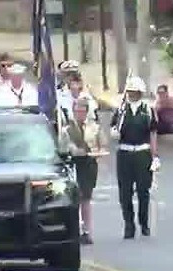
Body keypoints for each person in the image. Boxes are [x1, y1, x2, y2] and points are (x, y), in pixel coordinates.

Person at [110, 75, 159, 239]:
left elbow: (152, 134)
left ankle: (144, 223)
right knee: (125, 192)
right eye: (130, 91)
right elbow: (113, 129)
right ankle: (129, 225)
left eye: (135, 91)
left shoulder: (148, 110)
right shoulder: (121, 110)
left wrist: (155, 156)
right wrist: (114, 132)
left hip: (142, 153)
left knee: (143, 191)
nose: (132, 94)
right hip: (125, 153)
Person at [62, 98, 107, 245]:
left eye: (82, 110)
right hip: (73, 165)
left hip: (89, 165)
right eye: (77, 111)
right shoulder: (67, 129)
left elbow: (103, 144)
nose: (80, 113)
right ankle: (73, 230)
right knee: (74, 199)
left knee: (86, 199)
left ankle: (87, 231)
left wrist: (98, 151)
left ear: (87, 112)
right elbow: (63, 147)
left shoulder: (94, 127)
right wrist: (72, 149)